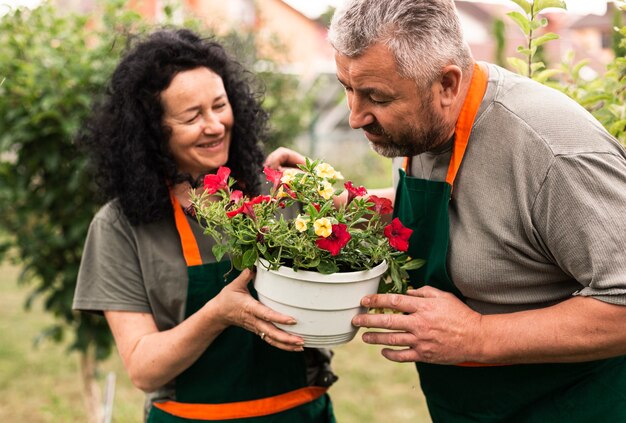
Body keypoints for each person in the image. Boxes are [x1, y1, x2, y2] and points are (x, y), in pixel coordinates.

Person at [267, 0, 626, 420]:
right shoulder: (429, 129)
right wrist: (343, 205)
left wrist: (478, 335)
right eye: (347, 87)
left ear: (447, 84)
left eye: (376, 97)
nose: (354, 117)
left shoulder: (554, 153)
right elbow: (473, 210)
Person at [72, 28, 336, 423]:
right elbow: (144, 369)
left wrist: (335, 195)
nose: (214, 125)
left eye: (219, 105)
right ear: (153, 131)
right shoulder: (119, 226)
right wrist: (218, 314)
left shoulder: (279, 191)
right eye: (192, 116)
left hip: (299, 413)